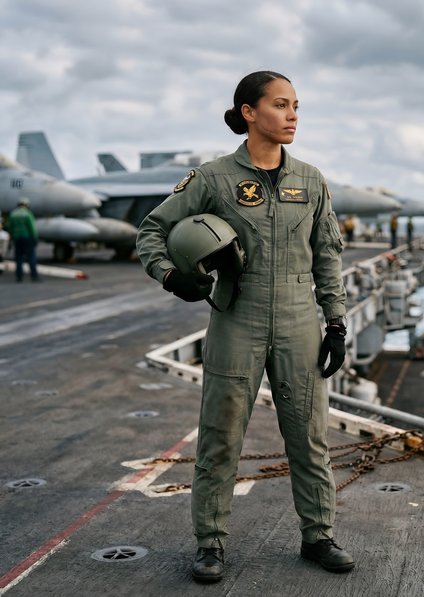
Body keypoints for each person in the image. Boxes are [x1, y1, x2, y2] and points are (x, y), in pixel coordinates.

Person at [136, 70, 353, 583]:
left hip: (299, 320)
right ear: (249, 113)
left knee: (310, 437)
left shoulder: (311, 180)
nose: (292, 115)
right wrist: (170, 275)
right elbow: (152, 229)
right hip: (237, 317)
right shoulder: (213, 178)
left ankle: (318, 535)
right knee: (220, 437)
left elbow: (327, 254)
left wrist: (336, 321)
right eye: (280, 105)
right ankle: (210, 542)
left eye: (296, 106)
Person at [7, 198, 39, 282]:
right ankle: (34, 276)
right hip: (27, 238)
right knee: (31, 257)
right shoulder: (28, 214)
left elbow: (10, 227)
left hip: (17, 238)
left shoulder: (13, 214)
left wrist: (12, 237)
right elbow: (32, 228)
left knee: (19, 258)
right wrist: (35, 238)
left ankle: (19, 276)